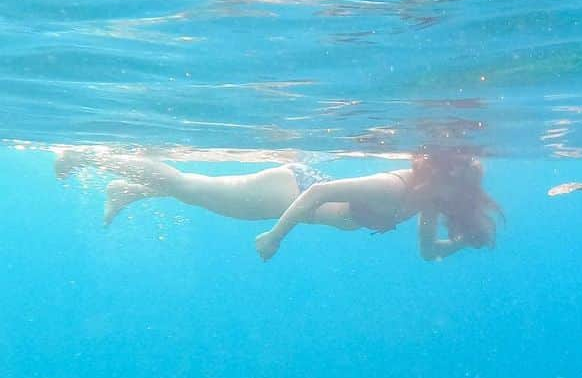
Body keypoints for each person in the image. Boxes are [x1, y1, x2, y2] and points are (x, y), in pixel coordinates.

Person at [54, 147, 502, 262]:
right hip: (290, 191)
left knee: (200, 192)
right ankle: (84, 155)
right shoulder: (396, 187)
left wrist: (462, 242)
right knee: (189, 185)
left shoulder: (426, 201)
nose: (458, 201)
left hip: (298, 198)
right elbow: (318, 195)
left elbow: (428, 254)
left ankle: (125, 190)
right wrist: (275, 237)